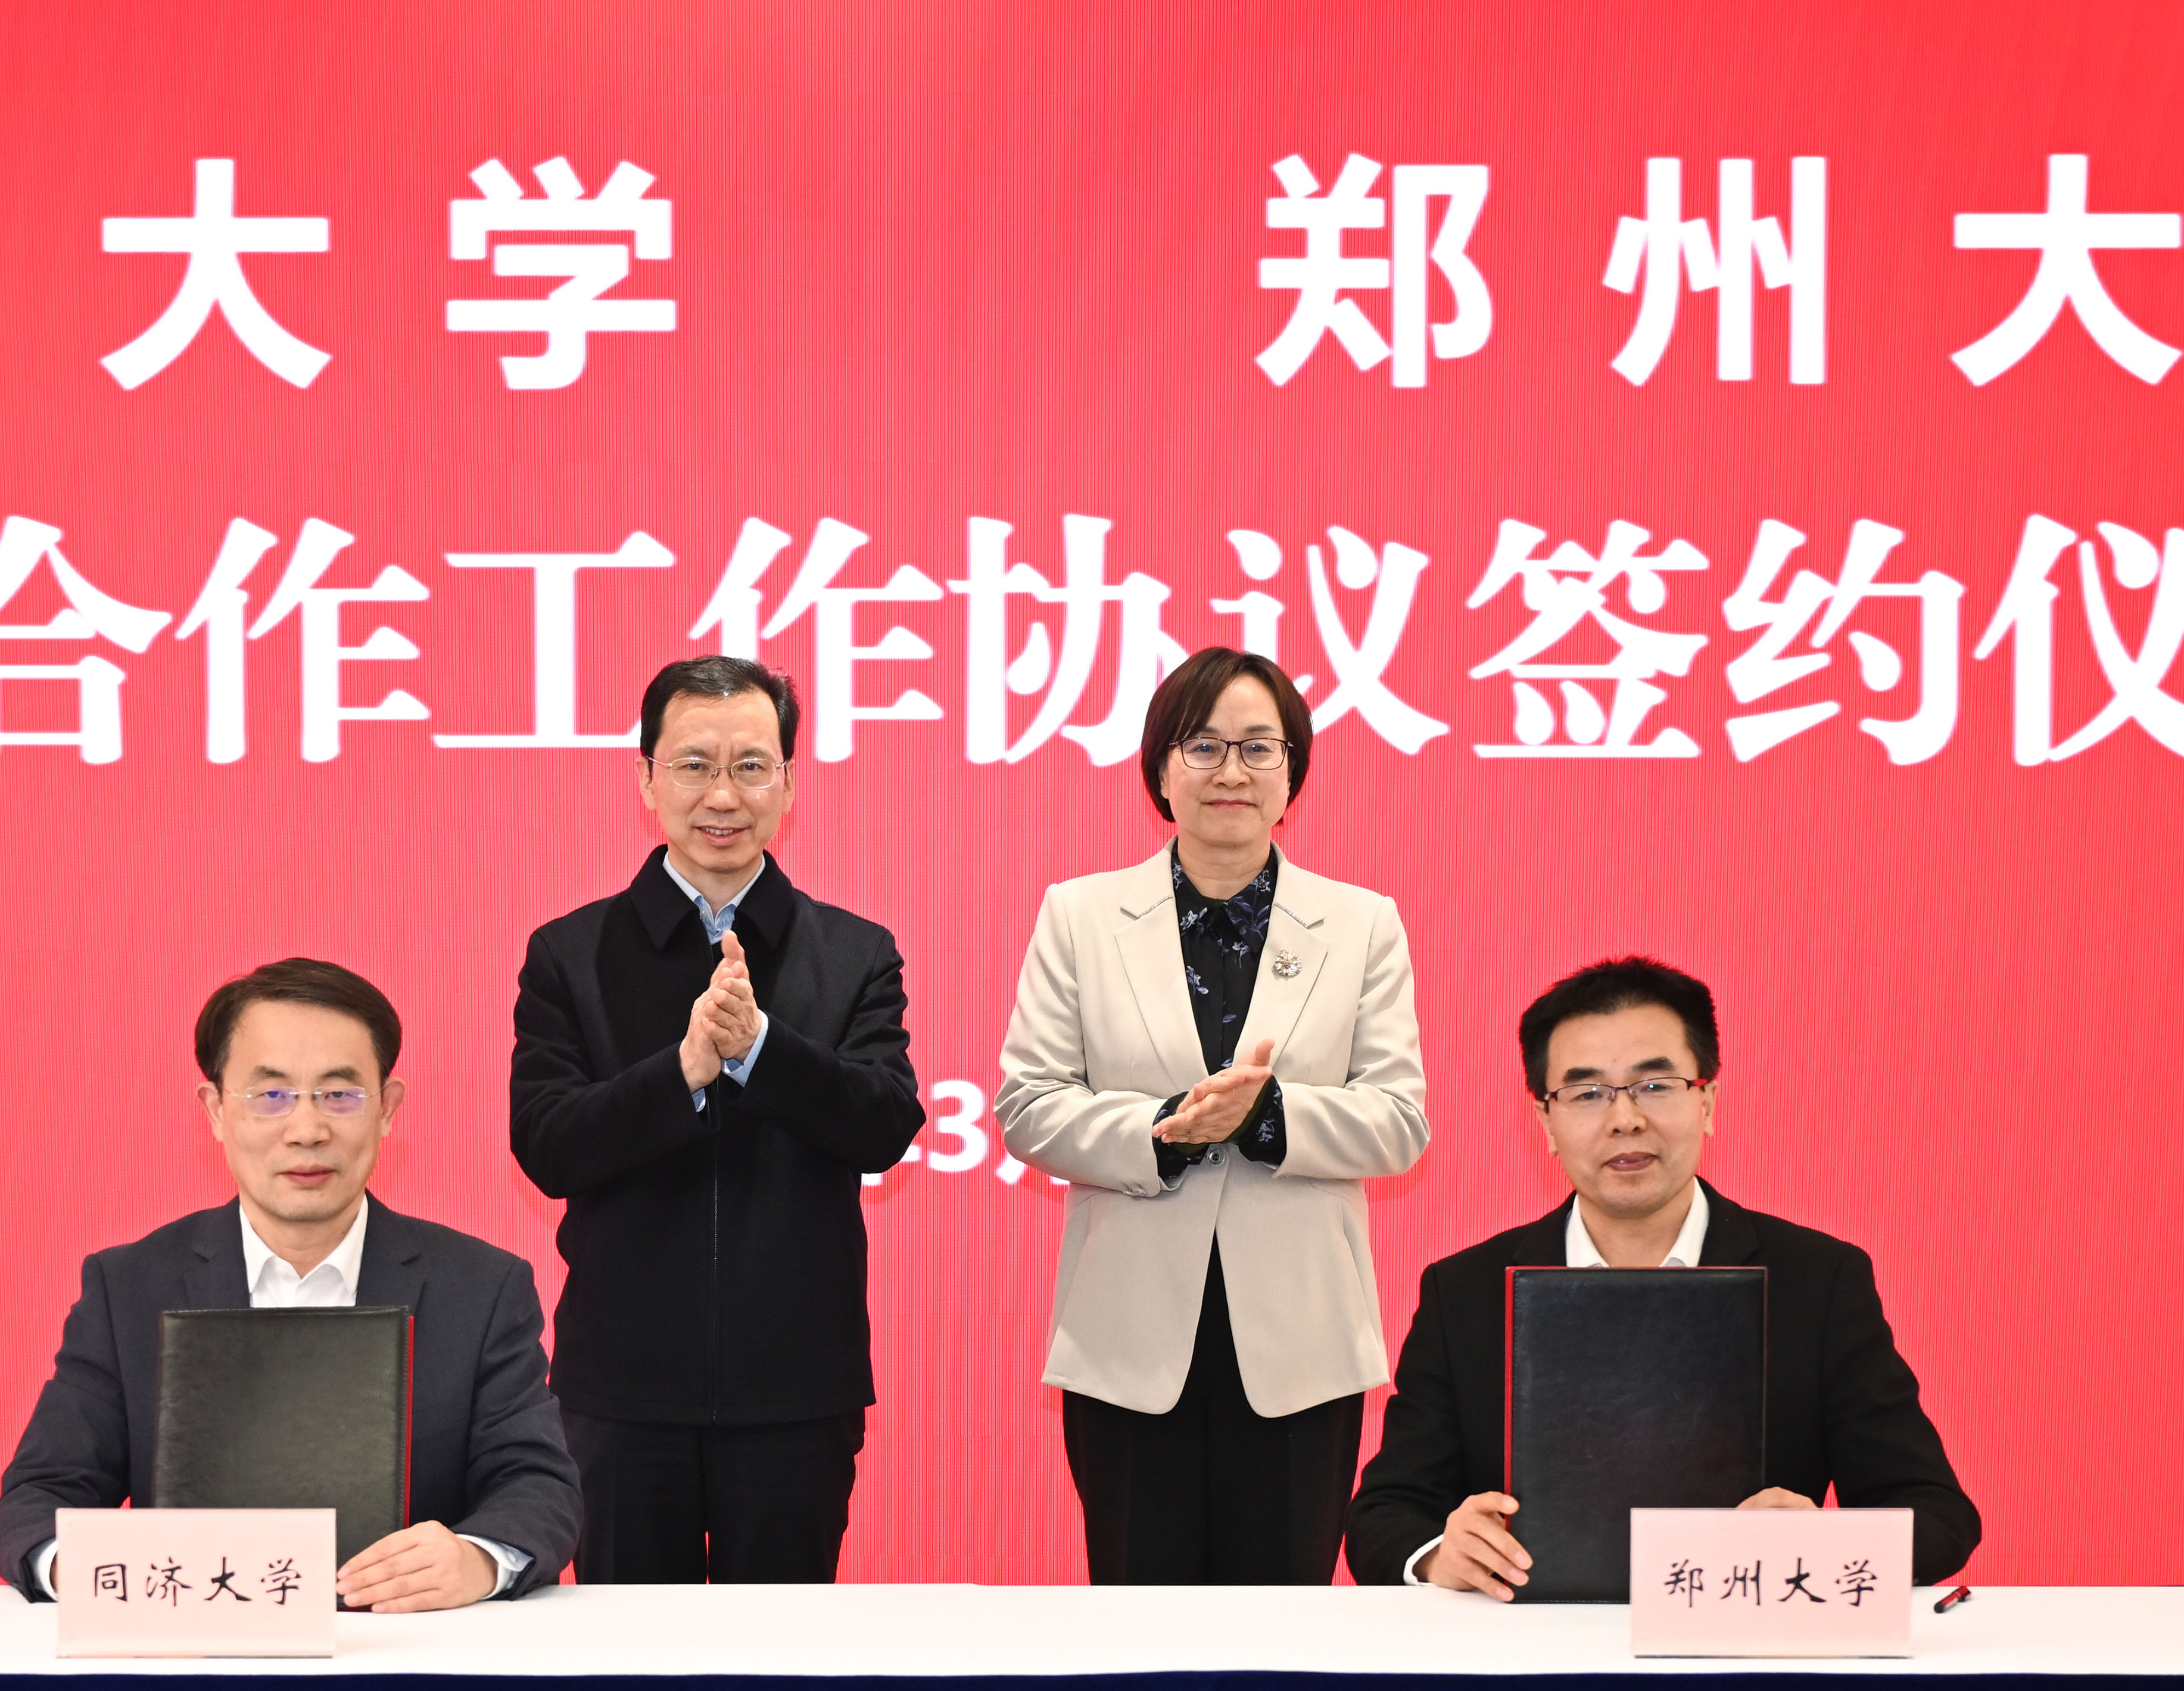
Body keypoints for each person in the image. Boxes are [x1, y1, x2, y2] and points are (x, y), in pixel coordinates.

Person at [1344, 954, 1980, 1595]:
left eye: (1654, 1086)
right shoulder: (1467, 1290)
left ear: (1706, 1102)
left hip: (1740, 1635)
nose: (1625, 1119)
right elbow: (1384, 1516)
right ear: (1546, 1122)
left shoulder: (1817, 1280)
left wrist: (1820, 1541)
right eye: (1587, 1093)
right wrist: (1440, 1554)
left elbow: (1936, 1515)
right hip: (1535, 1637)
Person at [997, 646, 1429, 1583]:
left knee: (1282, 1630)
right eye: (1201, 746)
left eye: (1257, 747)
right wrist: (1165, 1128)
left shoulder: (1361, 923)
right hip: (1128, 1344)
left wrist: (1266, 1117)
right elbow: (1028, 1105)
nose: (1230, 770)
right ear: (1159, 769)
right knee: (1138, 1622)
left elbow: (1397, 1120)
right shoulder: (1079, 915)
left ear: (1291, 772)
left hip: (1299, 1350)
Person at [0, 957, 580, 1610]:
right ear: (216, 1110)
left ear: (387, 1108)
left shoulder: (480, 1286)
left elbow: (538, 1484)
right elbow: (39, 1497)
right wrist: (85, 1571)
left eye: (340, 1094)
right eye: (270, 1096)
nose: (307, 1130)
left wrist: (478, 1557)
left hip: (403, 1643)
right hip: (198, 1646)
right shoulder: (129, 1285)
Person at [509, 655, 925, 1581]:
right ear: (646, 778)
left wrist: (760, 1049)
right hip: (621, 1388)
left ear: (788, 783)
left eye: (751, 766)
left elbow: (884, 1124)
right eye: (694, 764)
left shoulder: (854, 952)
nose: (723, 795)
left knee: (780, 1657)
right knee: (625, 1653)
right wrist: (686, 1069)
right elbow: (547, 1144)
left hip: (796, 1388)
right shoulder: (568, 953)